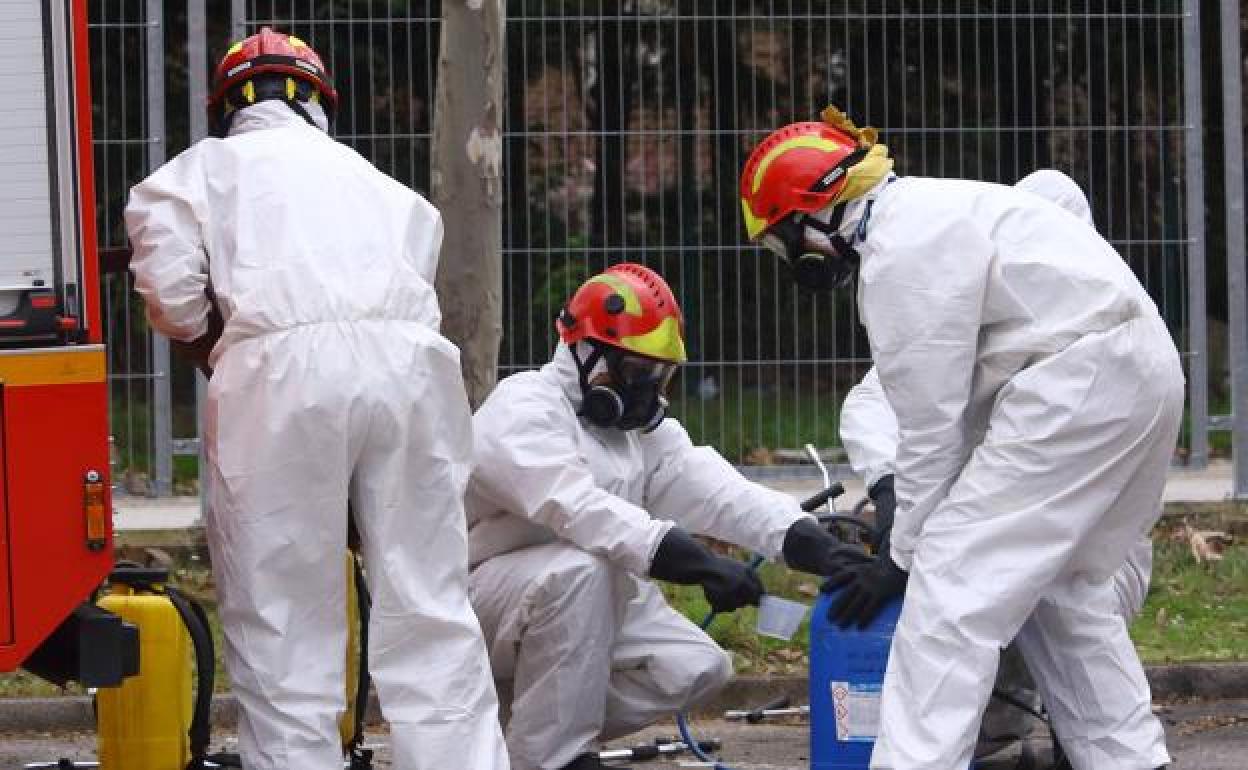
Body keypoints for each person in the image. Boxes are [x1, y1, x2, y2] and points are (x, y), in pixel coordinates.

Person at [740, 107, 1180, 770]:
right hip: (1139, 374)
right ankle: (1132, 760)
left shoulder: (898, 255)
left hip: (1074, 388)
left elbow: (929, 429)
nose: (792, 258)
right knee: (1067, 593)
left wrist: (903, 554)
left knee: (948, 597)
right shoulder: (938, 210)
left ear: (820, 211)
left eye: (784, 240)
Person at [125, 27, 508, 770]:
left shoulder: (194, 173)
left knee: (284, 627)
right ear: (319, 104)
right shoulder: (384, 187)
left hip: (278, 375)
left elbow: (171, 300)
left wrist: (220, 347)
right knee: (431, 611)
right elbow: (414, 277)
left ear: (227, 106)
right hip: (411, 370)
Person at [466, 263, 867, 770]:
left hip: (581, 597)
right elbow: (586, 513)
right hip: (481, 597)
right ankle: (552, 759)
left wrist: (820, 547)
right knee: (579, 571)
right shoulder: (523, 411)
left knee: (695, 668)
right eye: (638, 372)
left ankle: (509, 733)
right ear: (587, 353)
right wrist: (699, 564)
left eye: (660, 374)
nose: (649, 391)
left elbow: (722, 493)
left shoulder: (635, 435)